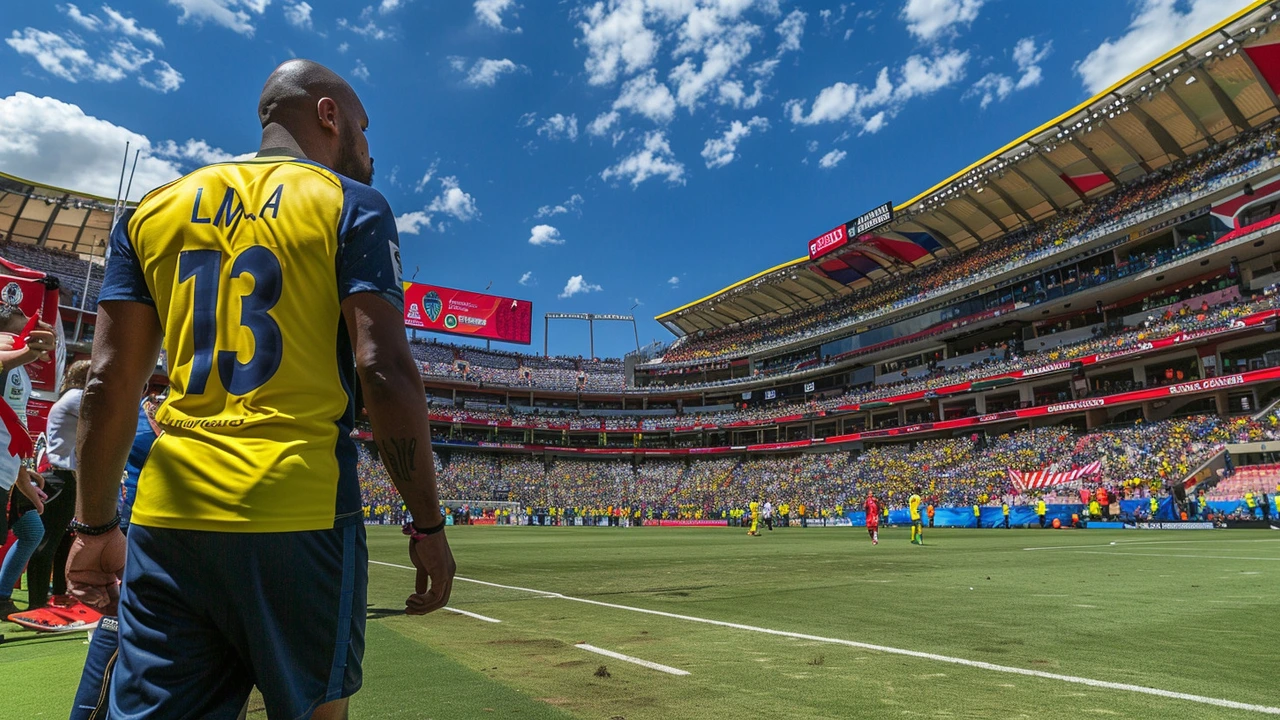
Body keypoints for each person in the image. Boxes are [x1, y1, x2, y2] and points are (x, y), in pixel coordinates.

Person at [65, 60, 455, 719]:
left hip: (169, 519)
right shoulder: (350, 205)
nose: (369, 146)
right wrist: (426, 523)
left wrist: (94, 524)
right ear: (329, 116)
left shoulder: (151, 213)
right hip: (299, 511)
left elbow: (108, 382)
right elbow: (383, 370)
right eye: (363, 126)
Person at [19, 360, 90, 614]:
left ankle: (56, 593)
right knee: (48, 541)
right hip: (62, 478)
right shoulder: (76, 397)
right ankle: (37, 602)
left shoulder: (71, 397)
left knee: (59, 540)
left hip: (62, 477)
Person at [0, 304, 56, 618]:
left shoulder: (19, 372)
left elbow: (14, 428)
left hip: (6, 476)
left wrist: (24, 477)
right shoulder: (9, 357)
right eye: (23, 330)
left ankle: (3, 597)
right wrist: (25, 354)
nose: (29, 336)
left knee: (32, 532)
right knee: (32, 533)